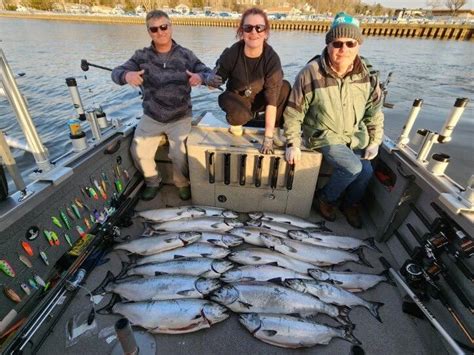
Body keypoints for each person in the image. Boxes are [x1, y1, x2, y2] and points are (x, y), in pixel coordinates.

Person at [283, 12, 384, 228]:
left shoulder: (369, 75)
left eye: (350, 43)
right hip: (322, 135)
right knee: (353, 167)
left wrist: (375, 140)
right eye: (337, 43)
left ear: (358, 45)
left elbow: (374, 111)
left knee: (366, 172)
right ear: (328, 45)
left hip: (354, 136)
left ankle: (350, 204)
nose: (343, 49)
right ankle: (325, 198)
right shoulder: (310, 72)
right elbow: (293, 112)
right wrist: (292, 142)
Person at [111, 10, 218, 201]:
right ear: (149, 32)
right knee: (138, 151)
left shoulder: (186, 55)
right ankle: (153, 181)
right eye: (154, 29)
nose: (160, 32)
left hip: (180, 116)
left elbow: (208, 73)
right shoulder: (141, 56)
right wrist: (127, 76)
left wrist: (201, 78)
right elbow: (116, 72)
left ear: (171, 26)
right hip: (151, 116)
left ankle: (182, 183)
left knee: (179, 154)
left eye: (164, 27)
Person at [213, 7, 291, 154]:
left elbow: (272, 101)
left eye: (259, 28)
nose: (253, 32)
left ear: (266, 32)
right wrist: (207, 79)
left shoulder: (272, 59)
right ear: (241, 32)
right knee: (239, 114)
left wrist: (267, 138)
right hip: (237, 98)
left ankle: (274, 129)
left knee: (285, 87)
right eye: (248, 28)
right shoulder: (232, 53)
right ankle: (237, 122)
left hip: (261, 99)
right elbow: (216, 80)